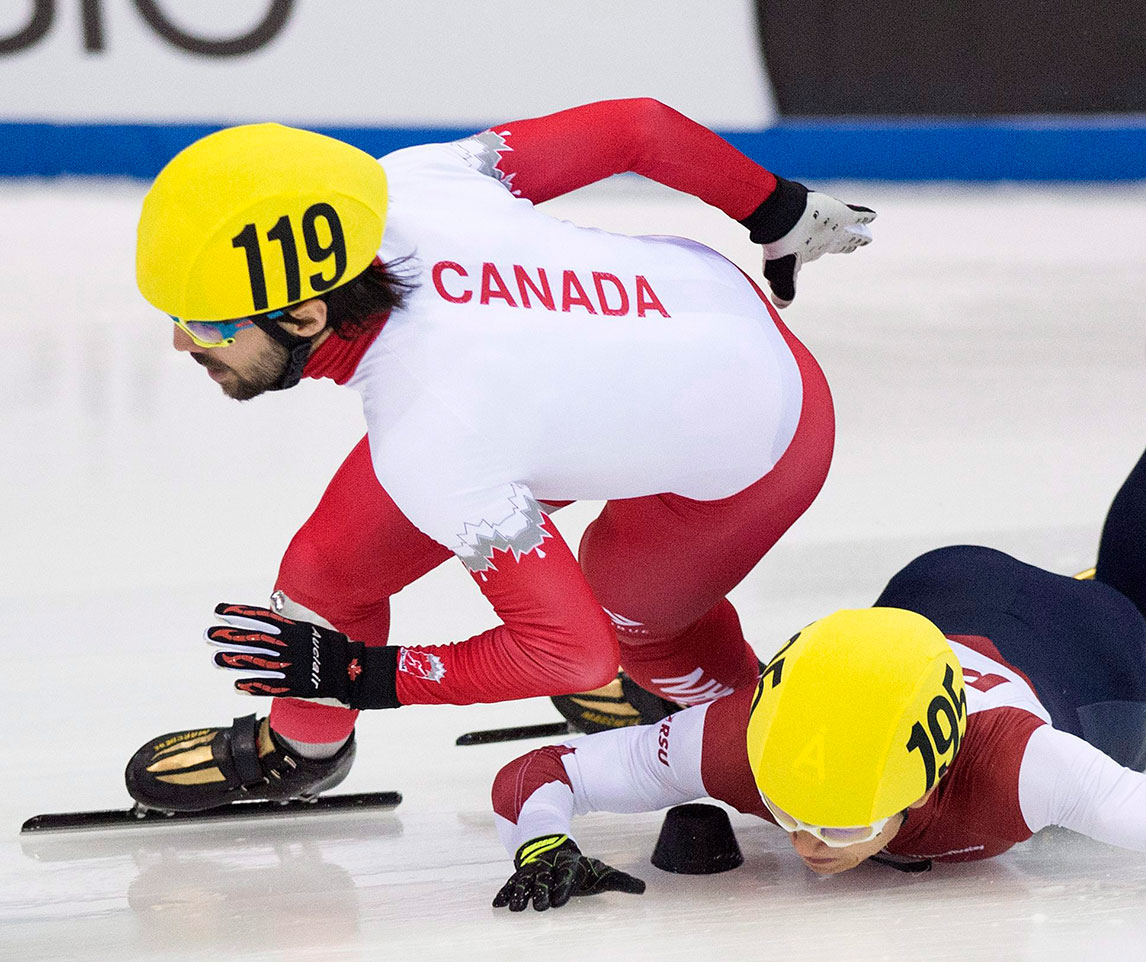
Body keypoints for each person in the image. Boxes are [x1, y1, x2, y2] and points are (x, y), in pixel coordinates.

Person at [475, 221, 1146, 932]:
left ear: (925, 783)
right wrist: (544, 844)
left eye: (840, 824)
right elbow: (536, 777)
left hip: (1070, 651)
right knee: (1122, 597)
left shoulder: (1023, 764)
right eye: (794, 813)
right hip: (939, 601)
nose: (806, 847)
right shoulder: (739, 747)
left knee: (1141, 626)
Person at [124, 99, 874, 811]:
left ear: (305, 313)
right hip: (688, 309)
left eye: (208, 325)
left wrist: (362, 675)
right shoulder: (408, 183)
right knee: (331, 570)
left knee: (633, 628)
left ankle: (757, 727)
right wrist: (776, 207)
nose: (182, 343)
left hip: (766, 437)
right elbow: (638, 128)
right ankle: (305, 749)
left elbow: (570, 656)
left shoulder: (434, 435)